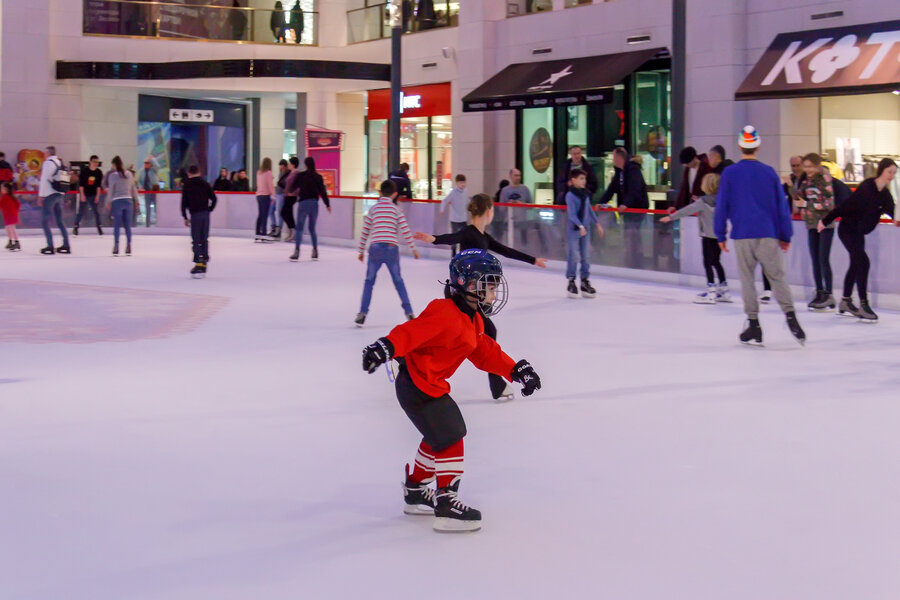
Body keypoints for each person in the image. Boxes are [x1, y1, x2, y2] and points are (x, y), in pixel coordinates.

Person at [361, 249, 542, 532]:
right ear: (469, 286)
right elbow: (412, 331)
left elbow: (484, 352)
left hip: (427, 385)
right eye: (489, 287)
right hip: (417, 385)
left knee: (438, 435)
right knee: (451, 433)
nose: (493, 295)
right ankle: (446, 502)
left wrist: (515, 369)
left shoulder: (472, 319)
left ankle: (416, 491)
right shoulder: (445, 312)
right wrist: (385, 347)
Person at [414, 194, 547, 401]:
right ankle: (496, 383)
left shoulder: (484, 237)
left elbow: (506, 251)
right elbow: (453, 237)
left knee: (468, 333)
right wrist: (435, 239)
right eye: (493, 209)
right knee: (482, 331)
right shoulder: (469, 232)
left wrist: (533, 260)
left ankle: (496, 384)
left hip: (474, 294)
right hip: (462, 294)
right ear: (488, 211)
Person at [714, 126, 805, 346]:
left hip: (743, 234)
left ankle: (753, 323)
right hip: (767, 233)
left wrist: (720, 234)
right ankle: (791, 316)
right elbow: (781, 207)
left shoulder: (730, 173)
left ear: (739, 145)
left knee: (747, 279)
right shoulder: (769, 172)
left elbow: (722, 205)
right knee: (776, 276)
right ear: (758, 145)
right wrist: (786, 235)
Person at [819, 158, 898, 322]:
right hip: (848, 230)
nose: (892, 175)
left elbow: (893, 214)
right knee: (863, 262)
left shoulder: (885, 195)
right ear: (882, 170)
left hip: (859, 232)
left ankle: (846, 301)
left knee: (856, 263)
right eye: (889, 171)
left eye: (894, 173)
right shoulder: (867, 187)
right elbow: (845, 206)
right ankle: (863, 304)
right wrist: (826, 220)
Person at [355, 179, 420, 326]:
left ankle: (362, 313)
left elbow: (365, 231)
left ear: (380, 193)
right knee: (398, 281)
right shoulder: (396, 210)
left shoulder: (373, 209)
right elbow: (405, 229)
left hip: (376, 248)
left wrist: (361, 250)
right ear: (395, 194)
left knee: (369, 281)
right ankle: (409, 312)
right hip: (391, 248)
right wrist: (413, 248)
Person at [662, 173, 729, 304]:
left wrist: (671, 217)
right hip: (719, 236)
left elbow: (686, 210)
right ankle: (723, 289)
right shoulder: (723, 200)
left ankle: (711, 291)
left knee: (708, 263)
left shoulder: (702, 202)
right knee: (716, 261)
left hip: (707, 237)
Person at [796, 153, 836, 311]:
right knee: (815, 259)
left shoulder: (824, 178)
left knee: (823, 259)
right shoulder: (805, 180)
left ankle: (829, 293)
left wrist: (809, 204)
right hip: (811, 224)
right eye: (805, 167)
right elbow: (800, 199)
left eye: (810, 166)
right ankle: (819, 291)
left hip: (825, 224)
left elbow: (829, 203)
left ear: (818, 165)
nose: (808, 169)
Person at [599, 147, 649, 269]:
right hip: (627, 212)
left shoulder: (633, 170)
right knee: (629, 237)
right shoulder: (620, 172)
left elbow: (635, 190)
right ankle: (630, 262)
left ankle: (636, 264)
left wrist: (626, 204)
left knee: (633, 237)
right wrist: (601, 202)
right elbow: (612, 189)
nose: (613, 160)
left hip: (636, 210)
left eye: (615, 157)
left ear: (620, 158)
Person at [565, 169, 604, 298]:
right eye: (581, 179)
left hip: (585, 229)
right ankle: (571, 281)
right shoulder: (570, 196)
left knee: (586, 256)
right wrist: (580, 225)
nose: (584, 181)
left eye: (584, 179)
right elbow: (572, 215)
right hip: (575, 230)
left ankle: (584, 281)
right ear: (573, 180)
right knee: (574, 255)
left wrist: (597, 223)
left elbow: (589, 210)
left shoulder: (585, 194)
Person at [290, 156, 331, 261]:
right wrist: (327, 204)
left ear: (305, 164)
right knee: (312, 228)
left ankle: (297, 251)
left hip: (303, 203)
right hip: (314, 204)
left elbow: (292, 187)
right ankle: (315, 250)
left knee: (299, 228)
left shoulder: (301, 176)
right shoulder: (318, 177)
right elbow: (323, 192)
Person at [181, 165, 218, 278]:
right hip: (205, 214)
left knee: (196, 239)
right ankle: (204, 262)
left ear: (189, 173)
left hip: (195, 214)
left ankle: (199, 264)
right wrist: (209, 209)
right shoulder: (204, 183)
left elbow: (183, 203)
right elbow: (214, 198)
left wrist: (185, 217)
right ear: (199, 171)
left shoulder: (187, 184)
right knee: (204, 238)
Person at [103, 155, 140, 256]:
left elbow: (110, 191)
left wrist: (108, 202)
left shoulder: (113, 176)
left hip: (117, 202)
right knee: (128, 226)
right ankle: (128, 245)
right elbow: (133, 188)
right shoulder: (129, 174)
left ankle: (116, 246)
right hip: (128, 201)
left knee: (117, 225)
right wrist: (136, 200)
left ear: (114, 165)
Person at [38, 146, 71, 255]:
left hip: (49, 194)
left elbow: (44, 180)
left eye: (45, 153)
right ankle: (66, 244)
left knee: (45, 220)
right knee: (60, 220)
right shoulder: (59, 162)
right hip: (59, 194)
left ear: (48, 153)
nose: (44, 155)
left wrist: (40, 195)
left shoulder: (48, 163)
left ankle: (50, 245)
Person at [439, 174, 469, 255]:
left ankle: (462, 253)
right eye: (460, 183)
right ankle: (453, 253)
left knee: (464, 237)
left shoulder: (466, 191)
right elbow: (444, 201)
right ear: (456, 183)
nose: (462, 184)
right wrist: (442, 209)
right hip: (454, 219)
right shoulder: (453, 192)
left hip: (463, 218)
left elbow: (467, 202)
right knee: (455, 237)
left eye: (463, 182)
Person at [75, 155, 104, 236]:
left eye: (97, 162)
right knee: (81, 211)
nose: (96, 163)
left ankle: (99, 227)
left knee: (96, 212)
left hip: (93, 194)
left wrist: (98, 196)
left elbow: (98, 186)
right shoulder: (84, 171)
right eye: (94, 162)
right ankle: (76, 226)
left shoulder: (99, 172)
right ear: (90, 162)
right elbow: (81, 185)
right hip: (85, 193)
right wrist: (82, 195)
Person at [281, 156, 301, 241]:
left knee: (284, 212)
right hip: (287, 195)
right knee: (287, 213)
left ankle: (293, 229)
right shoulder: (291, 172)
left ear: (293, 164)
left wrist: (293, 192)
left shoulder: (296, 173)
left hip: (291, 196)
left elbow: (298, 186)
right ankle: (291, 230)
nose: (288, 165)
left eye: (289, 163)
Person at [255, 158, 274, 242]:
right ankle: (263, 234)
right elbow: (270, 185)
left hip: (259, 195)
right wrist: (273, 195)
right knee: (265, 215)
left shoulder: (259, 173)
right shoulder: (268, 173)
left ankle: (257, 233)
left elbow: (258, 184)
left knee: (260, 214)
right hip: (265, 195)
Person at [269, 158, 288, 238]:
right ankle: (273, 227)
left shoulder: (287, 174)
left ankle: (278, 229)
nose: (280, 167)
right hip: (277, 193)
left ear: (283, 166)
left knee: (279, 212)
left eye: (280, 165)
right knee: (271, 210)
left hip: (281, 194)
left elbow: (286, 185)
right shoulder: (281, 173)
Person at [138, 156, 159, 227]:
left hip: (154, 191)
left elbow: (157, 166)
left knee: (156, 208)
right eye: (145, 163)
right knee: (147, 208)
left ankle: (158, 223)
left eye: (147, 163)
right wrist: (140, 187)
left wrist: (152, 159)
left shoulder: (153, 170)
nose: (145, 164)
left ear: (150, 164)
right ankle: (147, 224)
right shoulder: (142, 171)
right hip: (147, 191)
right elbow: (140, 181)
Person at [1, 182, 21, 252]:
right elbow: (18, 204)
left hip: (10, 215)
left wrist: (15, 211)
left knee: (11, 228)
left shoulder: (6, 197)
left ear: (6, 189)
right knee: (8, 228)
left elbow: (1, 205)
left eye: (2, 188)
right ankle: (10, 241)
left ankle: (16, 242)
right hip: (8, 215)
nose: (1, 190)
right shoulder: (10, 196)